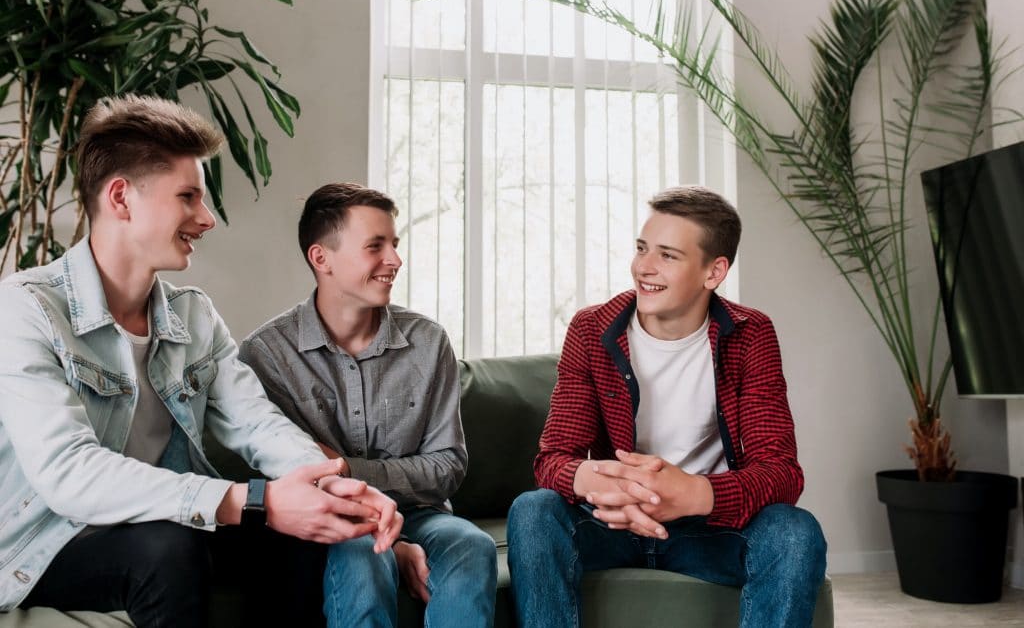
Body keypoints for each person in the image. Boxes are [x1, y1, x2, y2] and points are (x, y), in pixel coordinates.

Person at [0, 96, 401, 625]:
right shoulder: (25, 307)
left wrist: (330, 484)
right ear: (122, 198)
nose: (207, 219)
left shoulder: (193, 315)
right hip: (46, 546)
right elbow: (68, 474)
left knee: (313, 532)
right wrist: (250, 500)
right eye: (188, 197)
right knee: (168, 548)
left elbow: (255, 422)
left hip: (164, 520)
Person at [507, 186, 827, 628]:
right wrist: (607, 485)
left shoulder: (751, 334)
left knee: (796, 532)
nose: (644, 267)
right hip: (614, 523)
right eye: (642, 248)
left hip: (708, 530)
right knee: (533, 511)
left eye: (668, 256)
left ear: (713, 272)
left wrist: (695, 494)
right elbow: (552, 459)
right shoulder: (591, 329)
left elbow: (781, 473)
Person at [239, 182, 497, 628]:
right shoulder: (268, 355)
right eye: (375, 246)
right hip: (328, 521)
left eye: (394, 245)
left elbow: (447, 467)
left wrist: (344, 468)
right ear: (321, 259)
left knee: (471, 544)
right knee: (361, 548)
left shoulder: (428, 342)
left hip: (423, 516)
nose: (395, 260)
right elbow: (295, 478)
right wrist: (383, 532)